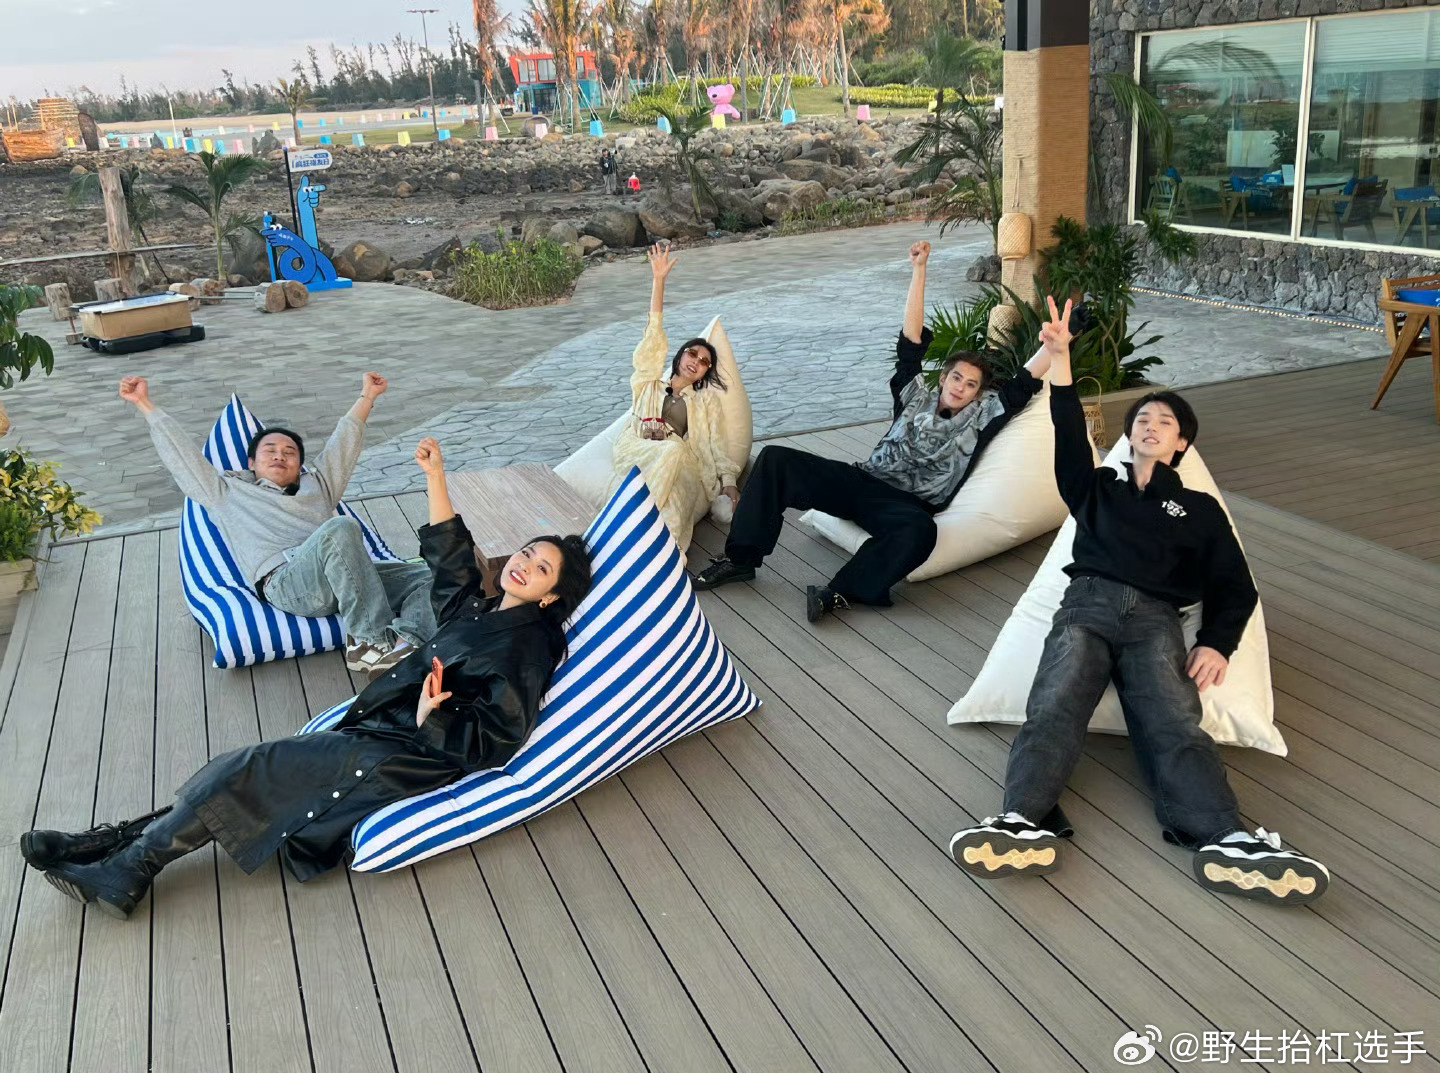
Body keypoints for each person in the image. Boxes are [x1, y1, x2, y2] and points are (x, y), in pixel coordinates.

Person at [23, 437, 592, 920]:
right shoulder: (487, 610)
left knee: (252, 767)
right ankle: (110, 845)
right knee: (252, 770)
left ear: (551, 596)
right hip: (385, 730)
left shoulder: (526, 646)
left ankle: (128, 869)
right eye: (526, 552)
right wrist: (435, 476)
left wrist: (432, 716)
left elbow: (498, 738)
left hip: (406, 754)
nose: (523, 563)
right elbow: (451, 562)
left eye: (541, 567)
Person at [948, 297, 1330, 906]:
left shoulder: (1199, 510)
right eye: (1142, 419)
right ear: (1129, 437)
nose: (1150, 425)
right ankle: (1022, 820)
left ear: (1180, 444)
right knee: (1054, 703)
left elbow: (1235, 586)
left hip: (1156, 620)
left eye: (1165, 422)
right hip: (1087, 606)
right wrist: (1060, 359)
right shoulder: (1097, 488)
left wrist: (1216, 643)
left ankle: (1228, 838)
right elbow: (1067, 433)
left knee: (1174, 721)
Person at [694, 240, 1054, 622]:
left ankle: (840, 592)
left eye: (970, 385)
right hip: (861, 481)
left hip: (904, 506)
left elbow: (1024, 381)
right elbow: (911, 344)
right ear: (944, 377)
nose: (960, 387)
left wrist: (1058, 344)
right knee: (774, 459)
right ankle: (741, 559)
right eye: (956, 377)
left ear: (978, 394)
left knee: (921, 532)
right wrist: (919, 271)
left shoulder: (982, 418)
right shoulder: (915, 397)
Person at [120, 372, 431, 673]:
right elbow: (182, 457)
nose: (280, 456)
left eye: (289, 452)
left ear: (300, 465)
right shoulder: (225, 492)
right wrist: (144, 404)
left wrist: (368, 396)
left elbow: (344, 443)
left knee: (430, 577)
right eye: (270, 451)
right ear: (252, 463)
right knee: (341, 527)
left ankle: (405, 646)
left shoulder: (319, 484)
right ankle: (369, 642)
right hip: (288, 584)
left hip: (346, 575)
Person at [610, 242, 740, 553]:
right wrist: (659, 282)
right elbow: (652, 340)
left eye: (704, 362)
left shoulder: (705, 402)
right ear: (680, 356)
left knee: (676, 503)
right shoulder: (649, 383)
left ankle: (669, 557)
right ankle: (633, 530)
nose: (696, 361)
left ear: (704, 373)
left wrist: (729, 482)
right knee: (670, 452)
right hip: (640, 446)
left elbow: (716, 445)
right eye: (692, 353)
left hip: (682, 460)